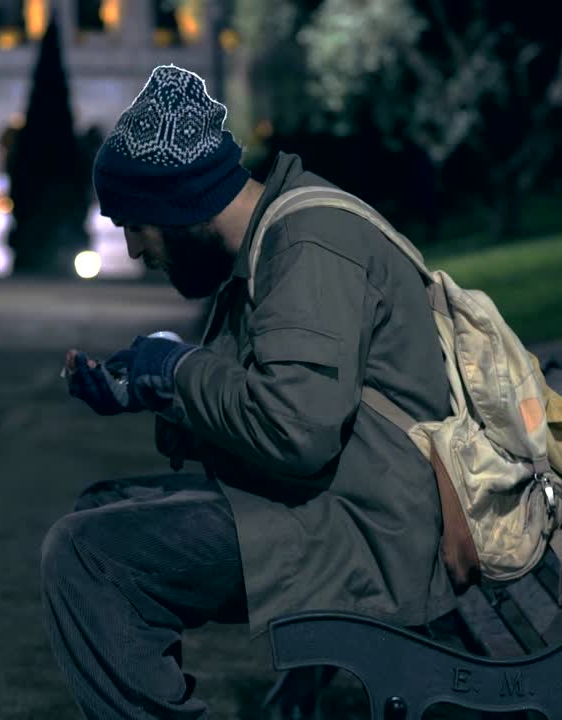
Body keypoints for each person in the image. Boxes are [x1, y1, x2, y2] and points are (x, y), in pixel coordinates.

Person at [44, 64, 457, 719]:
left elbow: (295, 432)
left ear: (177, 205)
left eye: (135, 224)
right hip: (349, 504)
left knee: (87, 554)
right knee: (102, 508)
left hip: (377, 533)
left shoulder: (309, 244)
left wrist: (177, 369)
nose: (134, 248)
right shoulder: (273, 241)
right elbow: (264, 404)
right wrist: (148, 392)